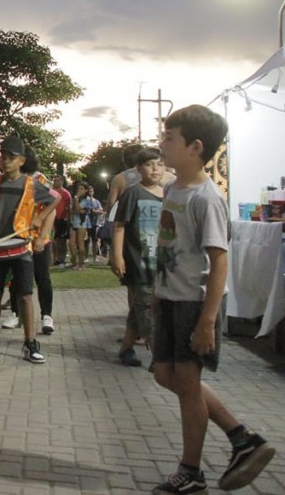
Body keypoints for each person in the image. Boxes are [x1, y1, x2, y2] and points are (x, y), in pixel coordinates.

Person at [150, 105, 275, 494]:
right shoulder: (172, 189)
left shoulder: (207, 198)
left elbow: (219, 261)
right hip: (169, 297)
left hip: (193, 304)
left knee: (188, 385)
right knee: (164, 374)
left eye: (169, 138)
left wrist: (207, 320)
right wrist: (156, 294)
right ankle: (241, 437)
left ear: (196, 146)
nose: (161, 144)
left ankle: (191, 471)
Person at [0, 135, 56, 364]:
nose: (5, 160)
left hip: (21, 246)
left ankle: (30, 343)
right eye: (3, 156)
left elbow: (55, 199)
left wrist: (39, 218)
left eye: (10, 157)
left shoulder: (31, 184)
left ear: (21, 160)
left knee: (25, 294)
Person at [109, 146, 163, 367]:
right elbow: (119, 226)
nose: (155, 169)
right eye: (149, 165)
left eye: (159, 164)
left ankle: (126, 349)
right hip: (138, 262)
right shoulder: (133, 193)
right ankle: (160, 358)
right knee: (147, 309)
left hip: (160, 263)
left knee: (139, 309)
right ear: (139, 168)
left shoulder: (168, 194)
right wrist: (117, 255)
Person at [5, 147, 58, 336]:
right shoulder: (11, 180)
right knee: (15, 277)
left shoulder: (39, 180)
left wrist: (42, 237)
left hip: (37, 238)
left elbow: (51, 210)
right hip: (18, 237)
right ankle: (15, 313)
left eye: (12, 157)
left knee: (42, 277)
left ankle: (46, 316)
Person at [51, 174, 73, 266]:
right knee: (53, 240)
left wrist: (68, 220)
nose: (55, 182)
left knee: (62, 240)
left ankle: (62, 258)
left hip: (62, 218)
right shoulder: (50, 192)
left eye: (57, 180)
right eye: (54, 180)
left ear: (61, 181)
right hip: (52, 218)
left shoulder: (65, 193)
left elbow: (69, 207)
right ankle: (55, 258)